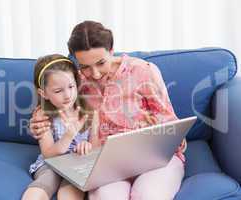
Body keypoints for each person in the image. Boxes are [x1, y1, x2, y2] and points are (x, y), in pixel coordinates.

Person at [29, 21, 187, 200]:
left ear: (111, 50)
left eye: (101, 63)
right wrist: (39, 118)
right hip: (107, 162)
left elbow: (170, 121)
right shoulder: (77, 81)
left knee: (147, 196)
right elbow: (55, 97)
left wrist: (175, 137)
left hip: (154, 158)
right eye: (85, 67)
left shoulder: (143, 71)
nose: (94, 73)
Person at [22, 54, 99, 200]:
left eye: (71, 87)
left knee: (72, 188)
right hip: (51, 163)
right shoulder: (43, 116)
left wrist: (87, 146)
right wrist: (69, 135)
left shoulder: (90, 112)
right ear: (43, 93)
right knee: (44, 182)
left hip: (78, 163)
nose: (68, 95)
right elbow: (48, 154)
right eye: (58, 91)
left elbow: (95, 146)